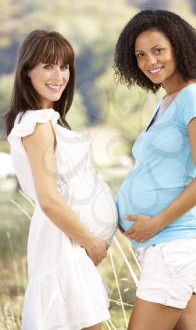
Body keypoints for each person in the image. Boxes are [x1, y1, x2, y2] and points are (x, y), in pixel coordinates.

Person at [5, 30, 118, 330]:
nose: (59, 75)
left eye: (64, 66)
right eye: (48, 66)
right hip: (60, 244)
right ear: (27, 71)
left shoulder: (47, 120)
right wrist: (91, 241)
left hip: (68, 244)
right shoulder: (37, 124)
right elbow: (49, 199)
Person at [114, 10, 196, 330]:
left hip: (177, 241)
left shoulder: (193, 96)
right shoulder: (167, 101)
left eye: (158, 50)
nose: (149, 61)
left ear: (179, 47)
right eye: (140, 55)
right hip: (161, 244)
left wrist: (156, 222)